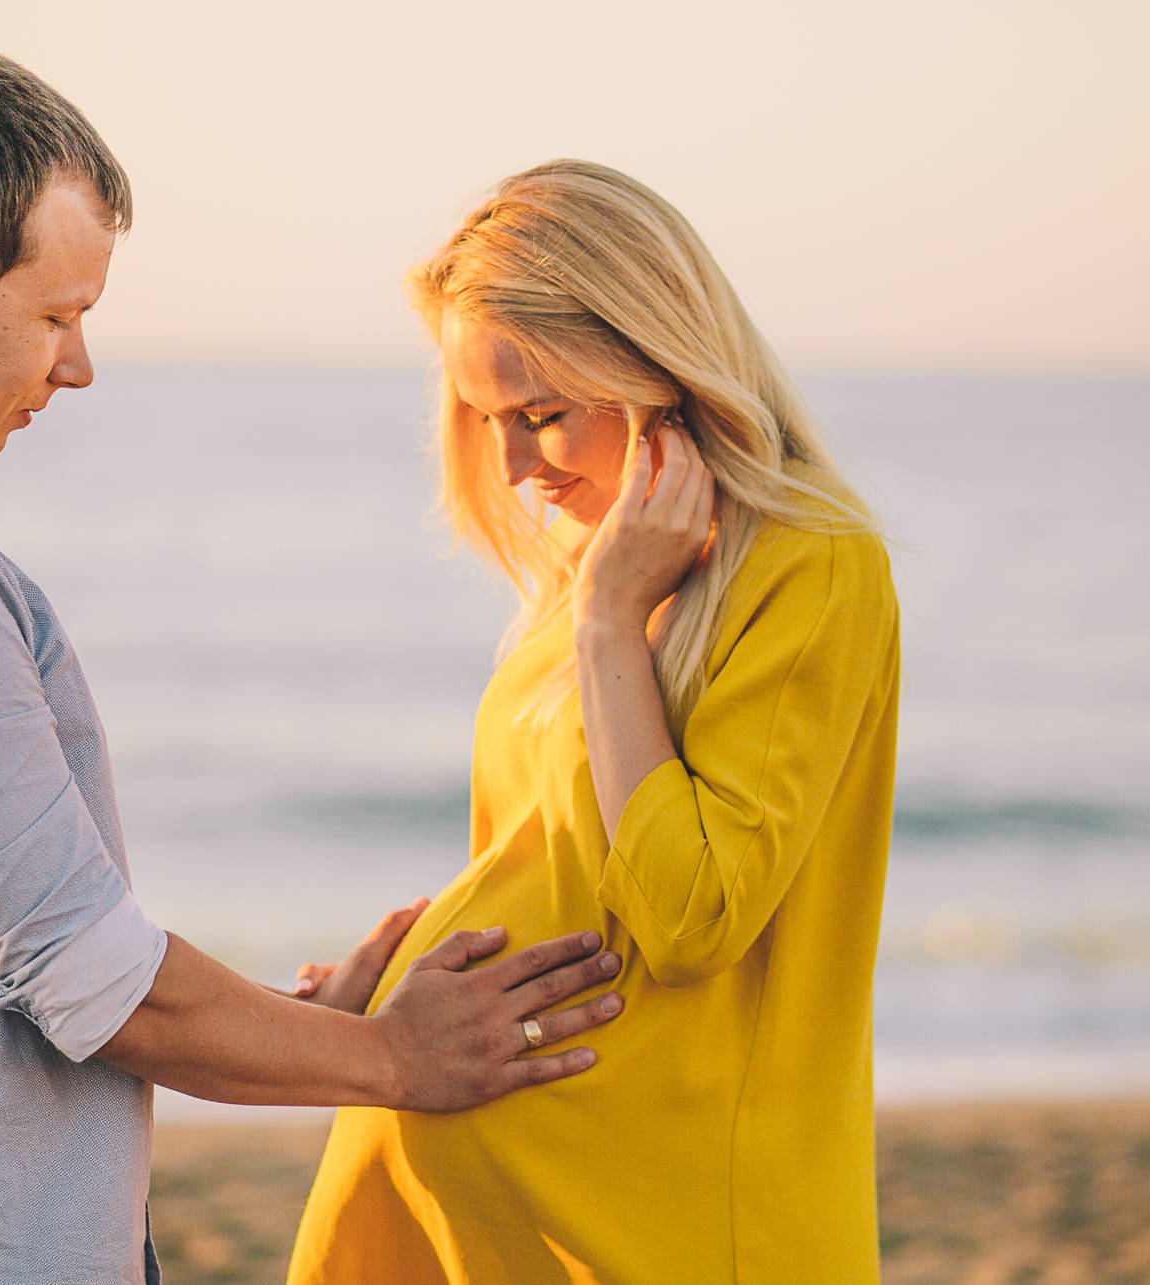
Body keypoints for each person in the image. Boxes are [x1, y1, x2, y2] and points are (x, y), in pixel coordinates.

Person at [0, 50, 623, 1285]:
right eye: (55, 317)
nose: (76, 367)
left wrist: (308, 1021)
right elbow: (96, 982)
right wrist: (397, 1058)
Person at [287, 160, 902, 1284]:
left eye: (542, 416)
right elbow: (535, 859)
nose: (516, 467)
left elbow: (691, 916)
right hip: (471, 1207)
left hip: (660, 1224)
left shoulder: (813, 569)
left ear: (656, 361)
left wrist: (614, 625)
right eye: (487, 422)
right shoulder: (583, 571)